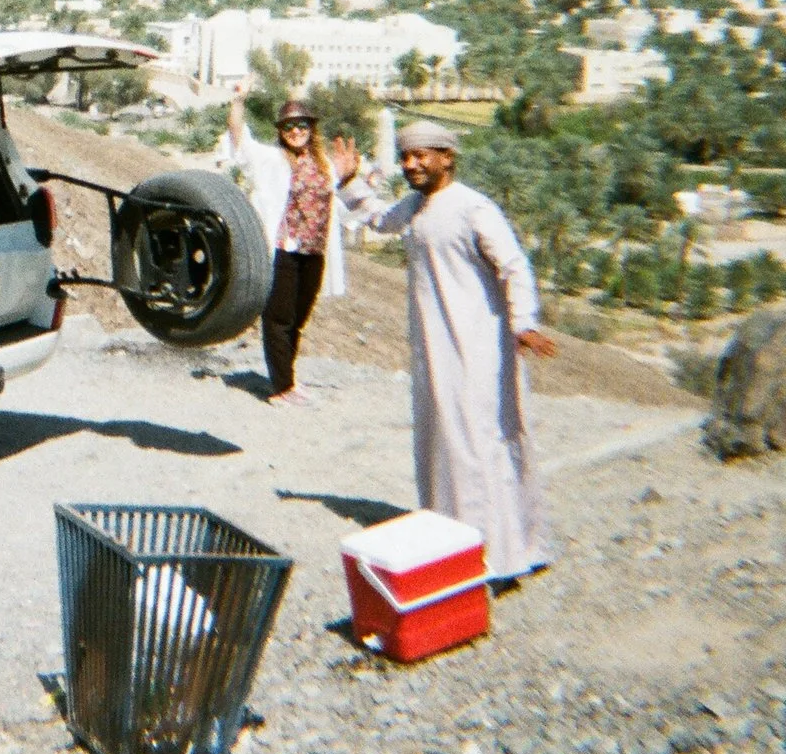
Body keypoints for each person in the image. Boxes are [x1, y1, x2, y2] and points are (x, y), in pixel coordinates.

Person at [331, 119, 559, 584]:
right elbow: (380, 219)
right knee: (445, 444)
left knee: (479, 445)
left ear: (447, 157)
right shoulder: (416, 206)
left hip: (478, 350)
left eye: (421, 156)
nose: (411, 165)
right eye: (405, 157)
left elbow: (514, 266)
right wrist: (350, 181)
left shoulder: (474, 208)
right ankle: (455, 551)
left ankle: (502, 556)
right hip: (435, 348)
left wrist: (523, 323)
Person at [221, 81, 351, 405]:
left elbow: (334, 196)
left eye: (301, 125)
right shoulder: (271, 159)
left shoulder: (323, 164)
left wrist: (346, 176)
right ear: (280, 131)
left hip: (314, 250)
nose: (296, 131)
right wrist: (238, 100)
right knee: (278, 318)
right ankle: (280, 387)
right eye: (289, 126)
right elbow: (239, 137)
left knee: (299, 318)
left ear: (311, 128)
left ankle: (288, 378)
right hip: (284, 249)